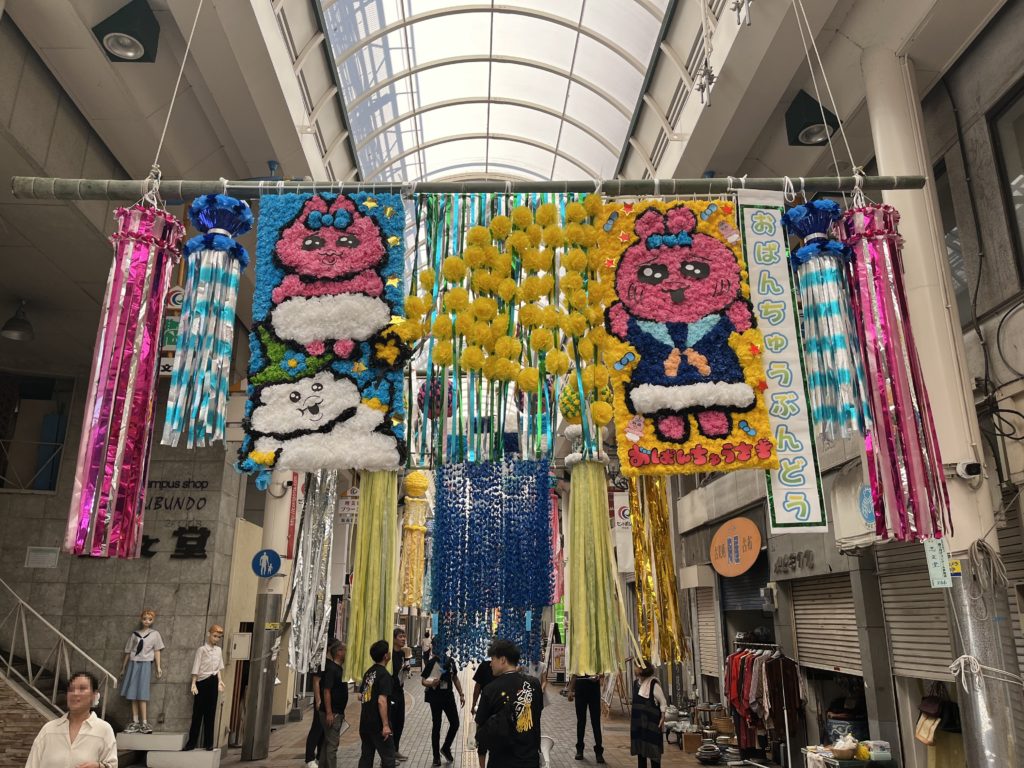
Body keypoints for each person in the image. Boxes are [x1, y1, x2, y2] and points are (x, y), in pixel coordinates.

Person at [25, 670, 117, 768]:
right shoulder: (48, 730)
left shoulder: (103, 730)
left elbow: (112, 765)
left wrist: (99, 766)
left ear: (94, 695)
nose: (75, 693)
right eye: (71, 689)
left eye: (82, 689)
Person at [474, 639, 544, 768]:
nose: (490, 664)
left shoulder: (490, 689)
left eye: (492, 659)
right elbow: (538, 711)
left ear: (502, 660)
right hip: (530, 759)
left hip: (501, 761)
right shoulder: (534, 684)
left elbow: (480, 729)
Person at [421, 639, 465, 766]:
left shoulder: (450, 661)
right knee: (437, 726)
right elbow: (423, 681)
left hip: (448, 697)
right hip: (435, 698)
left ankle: (446, 747)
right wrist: (431, 683)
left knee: (455, 723)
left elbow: (455, 678)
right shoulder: (431, 663)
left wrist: (461, 694)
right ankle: (436, 757)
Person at [120, 608, 164, 734]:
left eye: (149, 619)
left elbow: (157, 650)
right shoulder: (135, 634)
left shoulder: (155, 634)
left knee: (142, 693)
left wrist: (158, 667)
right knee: (132, 693)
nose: (147, 621)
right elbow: (128, 651)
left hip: (145, 664)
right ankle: (135, 722)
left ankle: (144, 722)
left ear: (153, 620)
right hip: (133, 663)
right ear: (141, 619)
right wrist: (123, 667)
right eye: (145, 619)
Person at [184, 624, 225, 751]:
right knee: (197, 713)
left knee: (211, 713)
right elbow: (196, 666)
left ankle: (209, 743)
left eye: (218, 637)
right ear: (209, 634)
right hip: (201, 681)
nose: (216, 639)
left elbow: (218, 668)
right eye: (214, 636)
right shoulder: (201, 650)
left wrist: (220, 681)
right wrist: (193, 683)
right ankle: (191, 743)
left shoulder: (219, 650)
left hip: (213, 681)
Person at [358, 640, 396, 768]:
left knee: (366, 756)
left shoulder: (368, 673)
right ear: (386, 656)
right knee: (388, 757)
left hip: (365, 721)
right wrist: (385, 725)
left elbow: (361, 696)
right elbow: (381, 700)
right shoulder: (384, 675)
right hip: (378, 724)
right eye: (388, 652)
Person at [630, 660, 666, 768]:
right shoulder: (636, 684)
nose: (634, 669)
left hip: (651, 725)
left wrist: (663, 717)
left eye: (636, 667)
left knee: (654, 753)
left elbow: (663, 701)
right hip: (639, 724)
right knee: (641, 752)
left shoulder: (653, 684)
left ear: (642, 669)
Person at [319, 640, 348, 768]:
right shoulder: (332, 669)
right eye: (345, 650)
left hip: (336, 711)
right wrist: (329, 712)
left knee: (327, 743)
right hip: (332, 712)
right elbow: (327, 691)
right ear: (339, 652)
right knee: (332, 745)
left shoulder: (338, 668)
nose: (346, 653)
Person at [567, 673, 605, 762]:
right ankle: (579, 750)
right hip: (580, 689)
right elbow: (574, 674)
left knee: (596, 722)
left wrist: (598, 676)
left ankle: (599, 751)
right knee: (581, 722)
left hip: (594, 690)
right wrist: (570, 690)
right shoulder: (578, 662)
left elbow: (602, 673)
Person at [471, 657, 495, 768]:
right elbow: (477, 687)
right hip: (487, 709)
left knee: (486, 742)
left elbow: (477, 687)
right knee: (484, 743)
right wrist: (473, 704)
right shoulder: (485, 666)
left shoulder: (485, 665)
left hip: (490, 709)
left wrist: (473, 705)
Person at [391, 627, 409, 761]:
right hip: (391, 693)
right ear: (393, 639)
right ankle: (388, 755)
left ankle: (395, 750)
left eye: (404, 636)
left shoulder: (402, 654)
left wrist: (405, 670)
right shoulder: (389, 654)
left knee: (399, 722)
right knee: (391, 723)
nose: (403, 639)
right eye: (400, 637)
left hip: (400, 691)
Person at [304, 665, 324, 768]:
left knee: (324, 731)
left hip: (330, 702)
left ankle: (319, 757)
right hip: (321, 701)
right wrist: (318, 700)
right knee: (317, 728)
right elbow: (315, 681)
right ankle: (309, 758)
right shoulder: (322, 663)